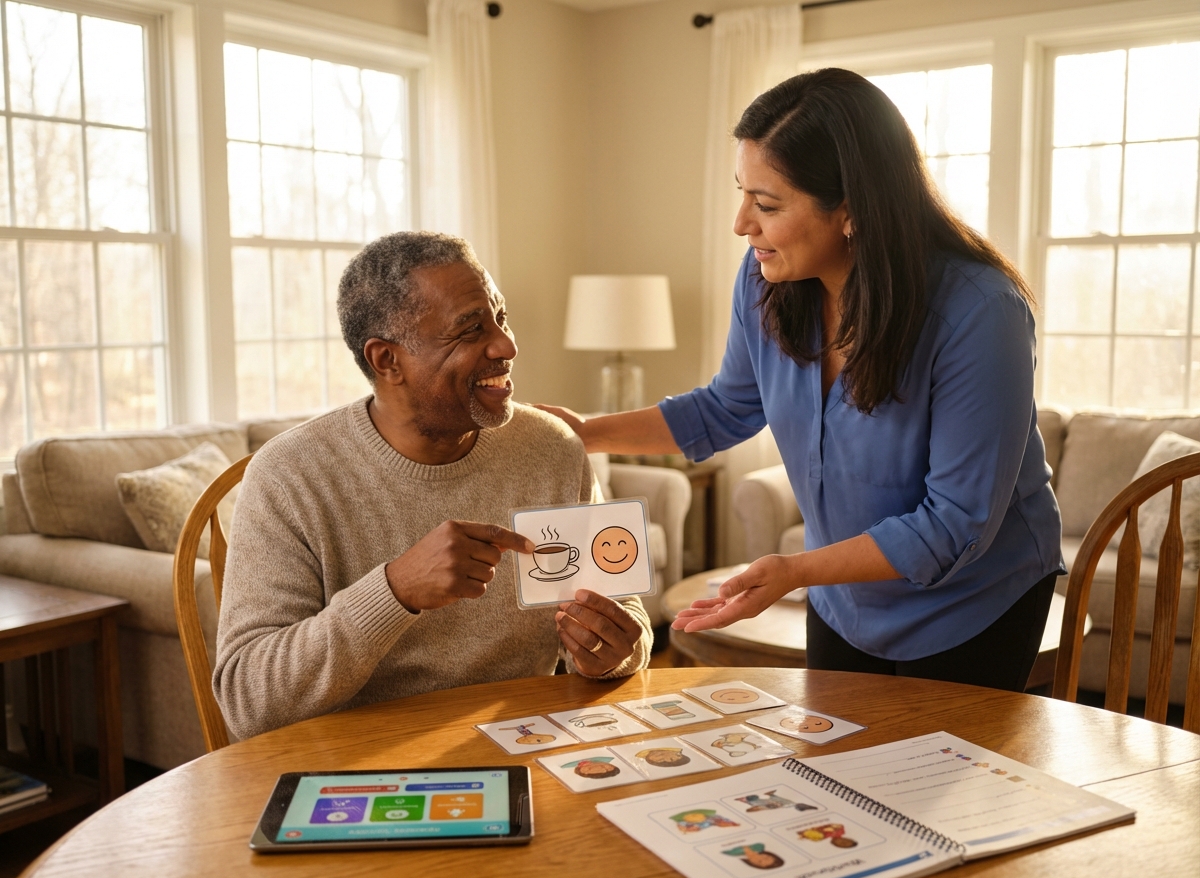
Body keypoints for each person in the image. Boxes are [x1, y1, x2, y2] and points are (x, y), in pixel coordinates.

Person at [539, 69, 1064, 692]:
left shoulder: (980, 312)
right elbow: (726, 408)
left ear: (851, 211)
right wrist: (583, 432)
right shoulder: (767, 278)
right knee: (837, 751)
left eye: (766, 205)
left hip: (971, 602)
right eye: (743, 194)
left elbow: (955, 524)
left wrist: (795, 570)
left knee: (933, 757)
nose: (742, 223)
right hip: (844, 596)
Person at [213, 232, 652, 739]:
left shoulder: (552, 447)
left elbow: (627, 617)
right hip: (356, 760)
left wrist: (613, 652)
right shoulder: (288, 475)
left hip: (520, 741)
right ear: (387, 360)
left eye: (501, 318)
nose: (507, 345)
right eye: (470, 330)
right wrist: (394, 590)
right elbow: (248, 704)